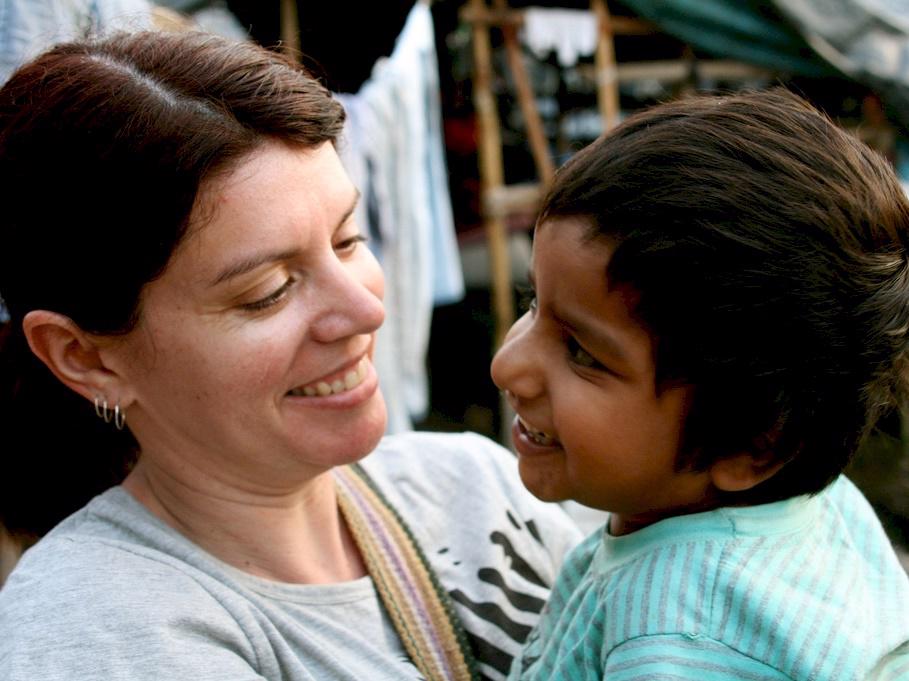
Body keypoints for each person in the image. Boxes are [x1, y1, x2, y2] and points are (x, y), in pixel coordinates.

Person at [0, 30, 583, 680]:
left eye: (347, 240)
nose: (365, 311)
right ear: (86, 357)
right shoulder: (96, 630)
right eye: (268, 291)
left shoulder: (475, 488)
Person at [490, 88, 909, 680]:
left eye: (582, 352)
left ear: (753, 444)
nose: (507, 366)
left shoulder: (678, 646)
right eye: (534, 302)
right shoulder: (824, 510)